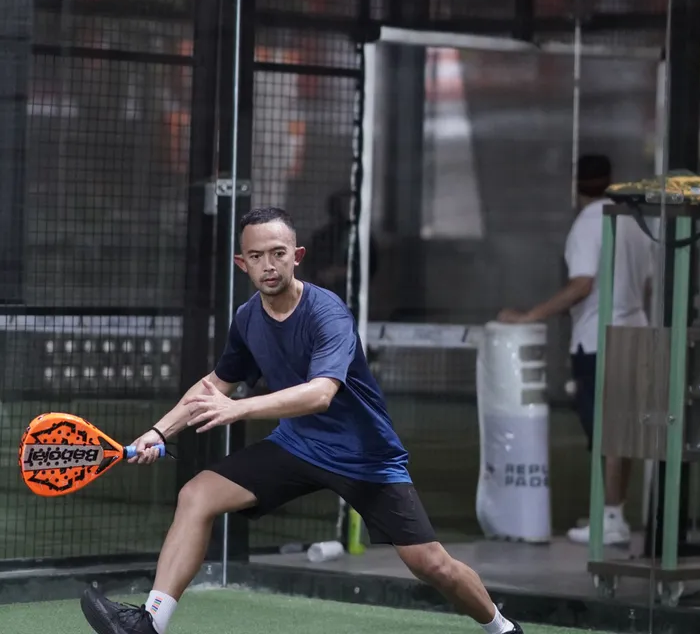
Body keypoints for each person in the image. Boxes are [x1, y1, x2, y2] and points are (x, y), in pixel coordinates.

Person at [80, 206, 524, 634]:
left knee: (432, 564)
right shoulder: (247, 319)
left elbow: (320, 394)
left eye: (278, 253)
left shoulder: (327, 312)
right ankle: (150, 623)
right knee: (196, 495)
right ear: (242, 263)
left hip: (364, 457)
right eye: (256, 256)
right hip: (297, 446)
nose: (268, 265)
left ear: (297, 255)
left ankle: (502, 628)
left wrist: (240, 409)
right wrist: (158, 431)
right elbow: (214, 384)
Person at [498, 154, 654, 547]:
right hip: (636, 334)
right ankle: (613, 513)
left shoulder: (588, 223)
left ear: (575, 185)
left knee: (606, 430)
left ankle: (611, 517)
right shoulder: (632, 220)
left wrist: (531, 315)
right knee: (623, 429)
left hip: (598, 340)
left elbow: (582, 284)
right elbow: (649, 284)